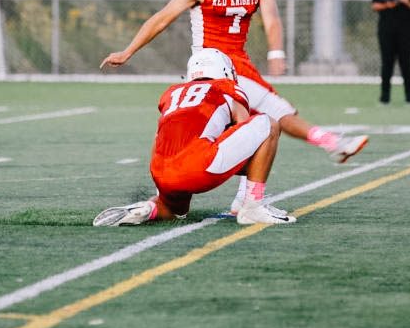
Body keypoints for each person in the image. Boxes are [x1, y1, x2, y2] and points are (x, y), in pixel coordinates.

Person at [100, 0, 368, 217]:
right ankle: (328, 144)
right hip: (212, 62)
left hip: (238, 59)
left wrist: (276, 51)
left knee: (257, 120)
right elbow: (163, 18)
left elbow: (272, 18)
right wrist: (128, 51)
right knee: (272, 111)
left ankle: (227, 198)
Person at [94, 49, 293, 226]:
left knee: (174, 212)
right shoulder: (226, 87)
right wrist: (256, 170)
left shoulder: (172, 93)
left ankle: (148, 208)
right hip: (198, 166)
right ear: (224, 71)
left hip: (161, 171)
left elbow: (162, 138)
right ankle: (253, 206)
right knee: (269, 124)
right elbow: (248, 136)